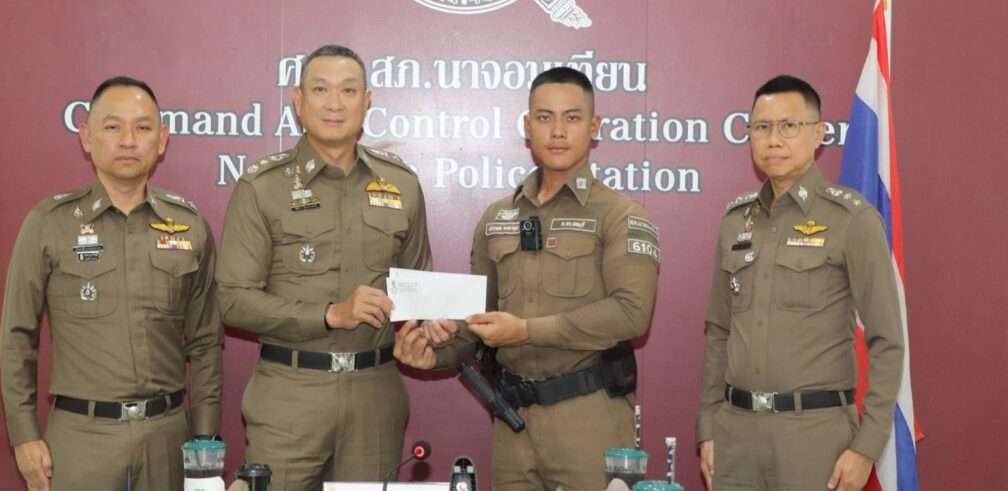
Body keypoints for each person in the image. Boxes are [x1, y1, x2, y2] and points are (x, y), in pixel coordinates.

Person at [395, 66, 661, 490]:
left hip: (589, 418)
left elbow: (631, 314)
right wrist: (436, 354)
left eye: (572, 118)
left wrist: (524, 331)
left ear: (594, 127)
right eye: (544, 117)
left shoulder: (620, 215)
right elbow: (478, 320)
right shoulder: (497, 217)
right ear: (526, 126)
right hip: (513, 422)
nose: (558, 131)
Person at [216, 44, 432, 490]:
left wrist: (433, 326)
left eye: (348, 91)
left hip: (375, 396)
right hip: (290, 394)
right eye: (320, 90)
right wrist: (329, 315)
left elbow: (419, 290)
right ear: (298, 101)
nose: (335, 103)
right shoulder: (262, 187)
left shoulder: (402, 184)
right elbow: (232, 301)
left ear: (367, 101)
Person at [0, 76, 223, 491]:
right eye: (113, 126)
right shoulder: (49, 224)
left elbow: (207, 342)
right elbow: (17, 336)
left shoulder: (189, 226)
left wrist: (205, 439)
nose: (128, 140)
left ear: (162, 140)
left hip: (167, 438)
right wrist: (23, 435)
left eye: (142, 127)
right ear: (86, 136)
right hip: (81, 440)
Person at [696, 75, 905, 491]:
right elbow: (719, 331)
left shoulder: (851, 220)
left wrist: (866, 446)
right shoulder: (735, 221)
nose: (774, 139)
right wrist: (709, 427)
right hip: (736, 435)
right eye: (762, 127)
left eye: (789, 126)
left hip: (815, 437)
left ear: (819, 134)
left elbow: (888, 340)